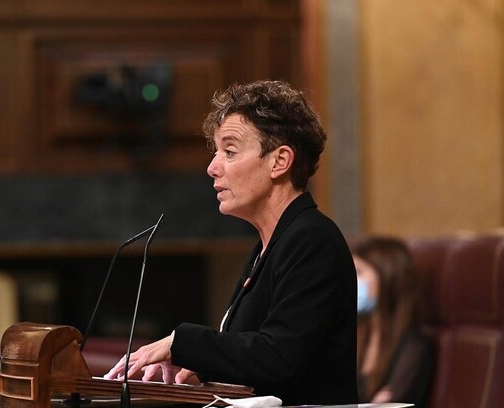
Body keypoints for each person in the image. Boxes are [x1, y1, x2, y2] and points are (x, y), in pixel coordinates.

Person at [104, 80, 358, 405]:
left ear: (279, 161)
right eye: (215, 152)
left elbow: (280, 358)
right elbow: (257, 358)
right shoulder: (269, 246)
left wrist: (182, 343)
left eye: (230, 151)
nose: (212, 168)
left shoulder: (311, 240)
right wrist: (203, 370)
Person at [352, 236, 435, 408]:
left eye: (359, 272)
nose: (350, 280)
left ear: (387, 276)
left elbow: (392, 404)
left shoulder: (414, 346)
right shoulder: (355, 334)